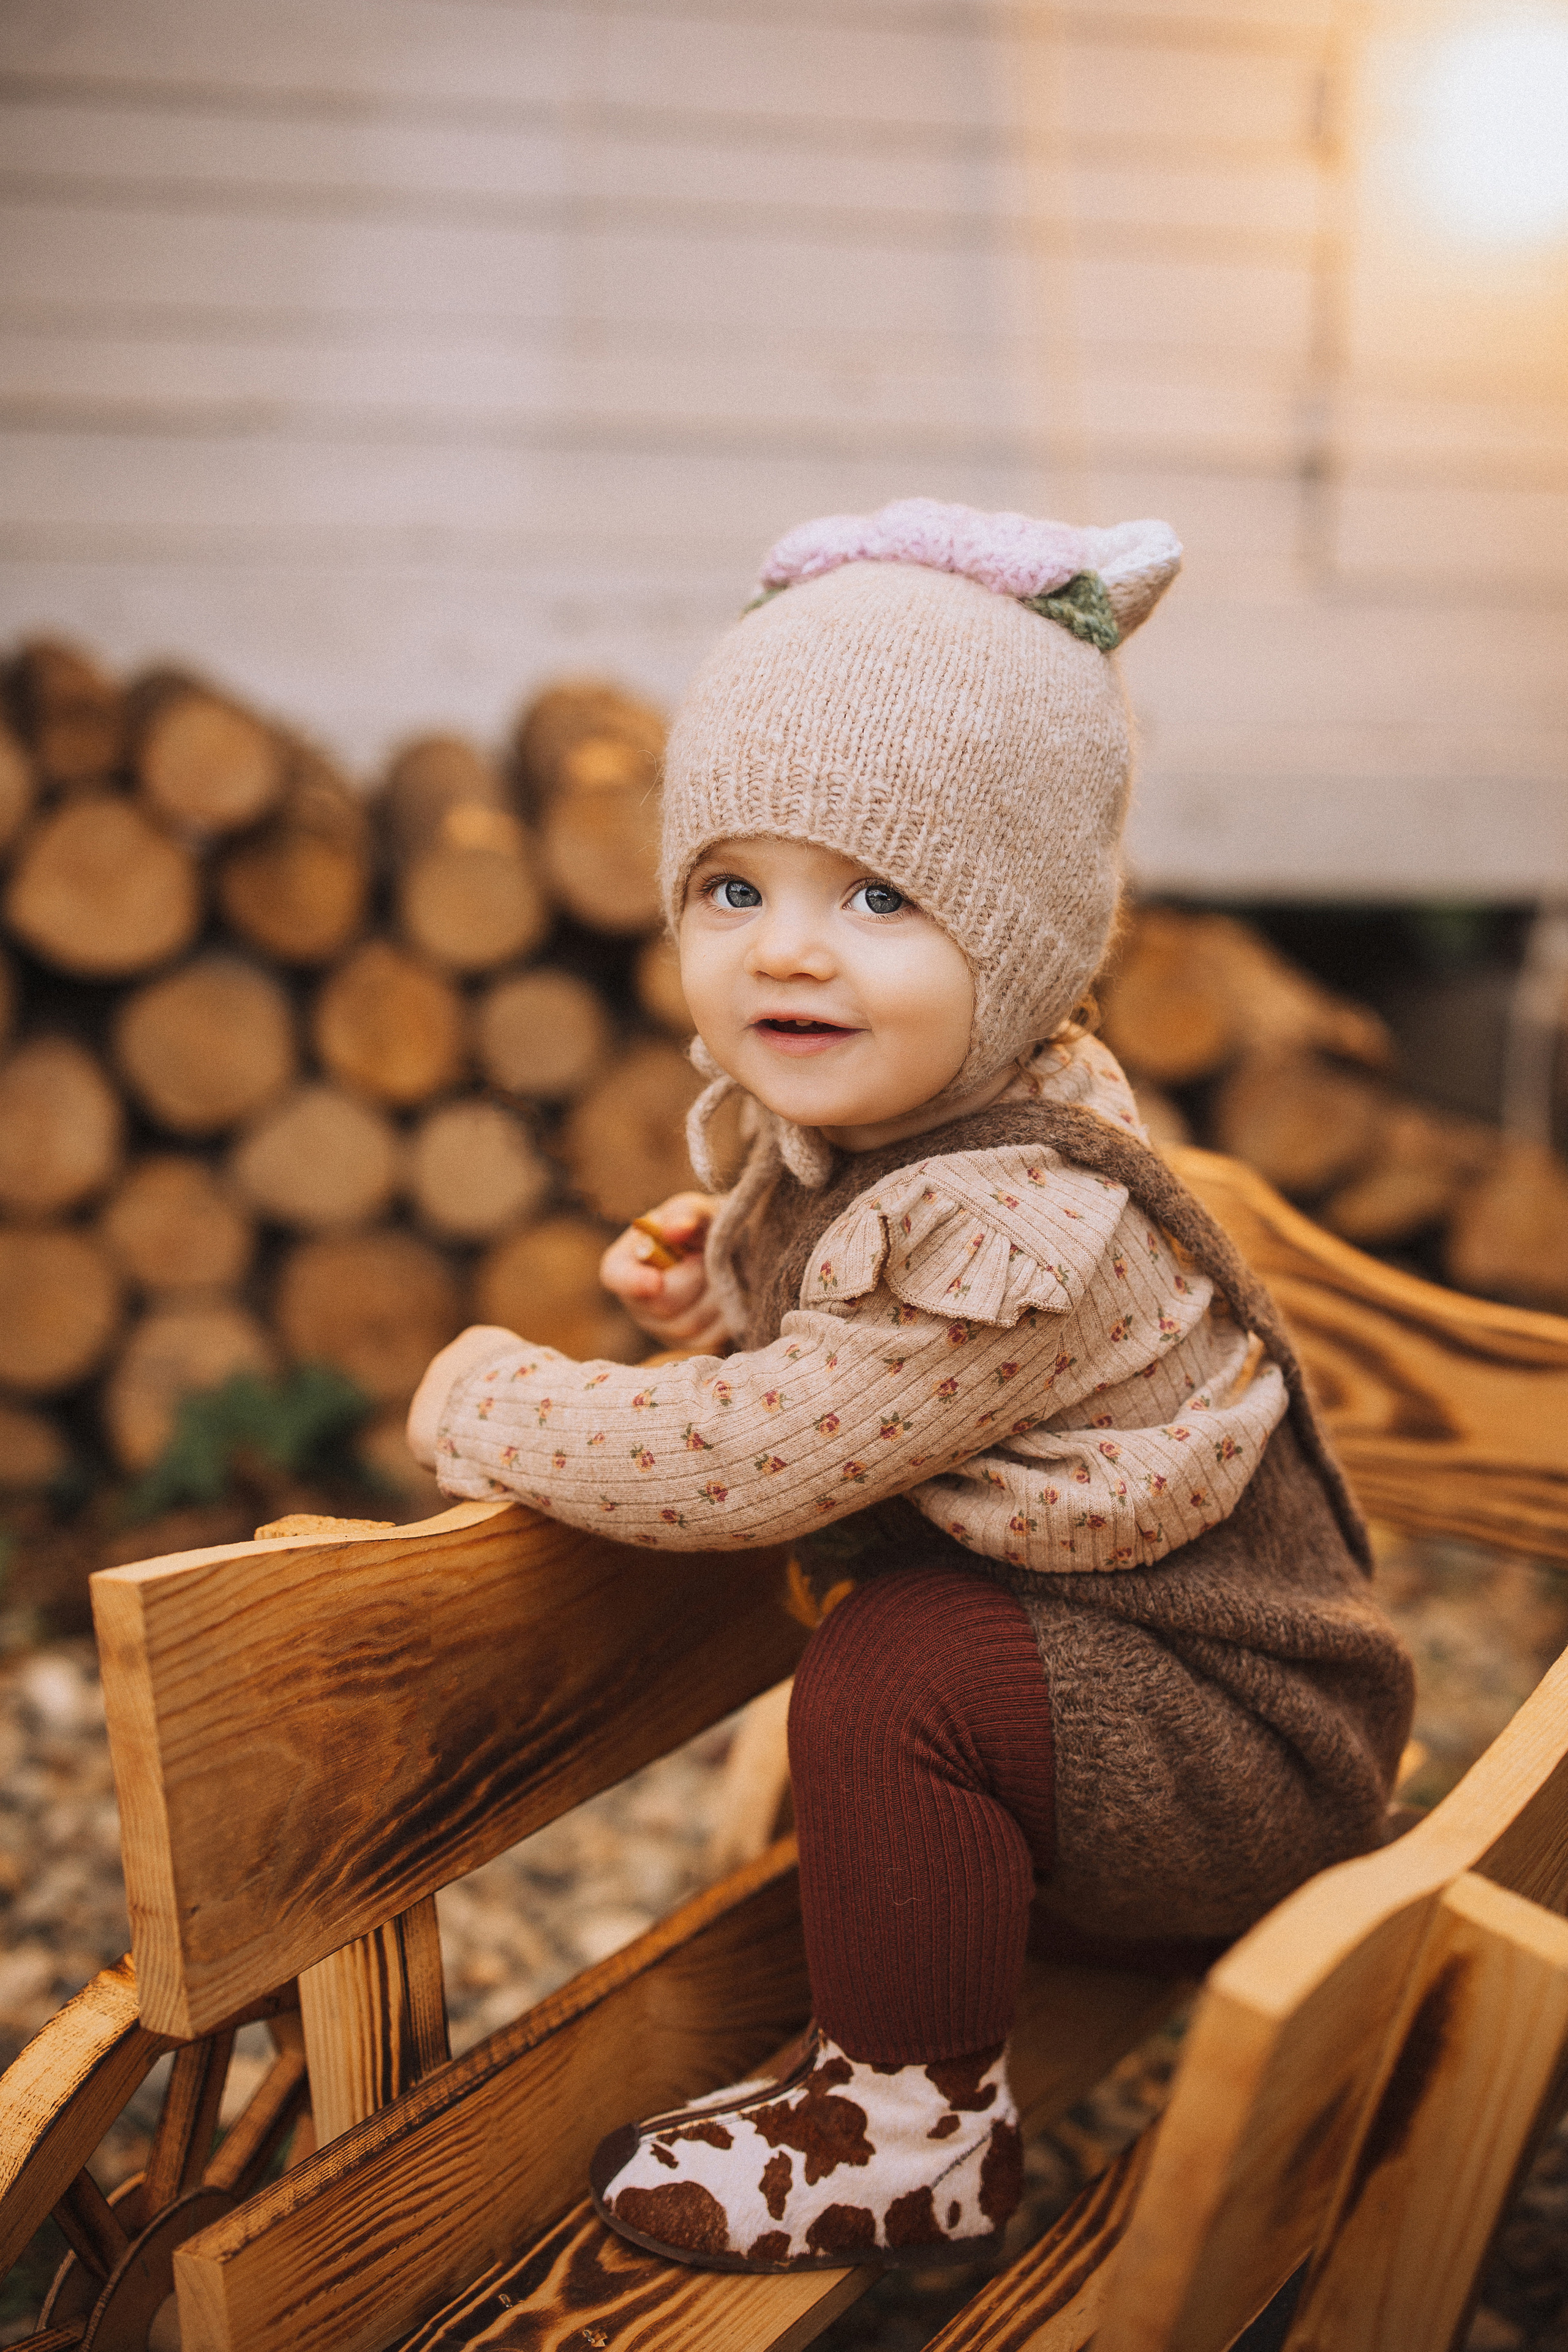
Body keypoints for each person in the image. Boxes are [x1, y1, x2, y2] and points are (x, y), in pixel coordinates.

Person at [406, 496, 1414, 2275]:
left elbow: (759, 1459)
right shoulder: (916, 1112)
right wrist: (724, 1283)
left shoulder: (1014, 1226)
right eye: (735, 888)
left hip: (1235, 1750)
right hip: (1125, 1694)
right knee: (913, 1649)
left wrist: (491, 1403)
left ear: (1020, 939)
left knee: (902, 1667)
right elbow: (848, 1358)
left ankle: (913, 2129)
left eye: (881, 895)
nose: (788, 950)